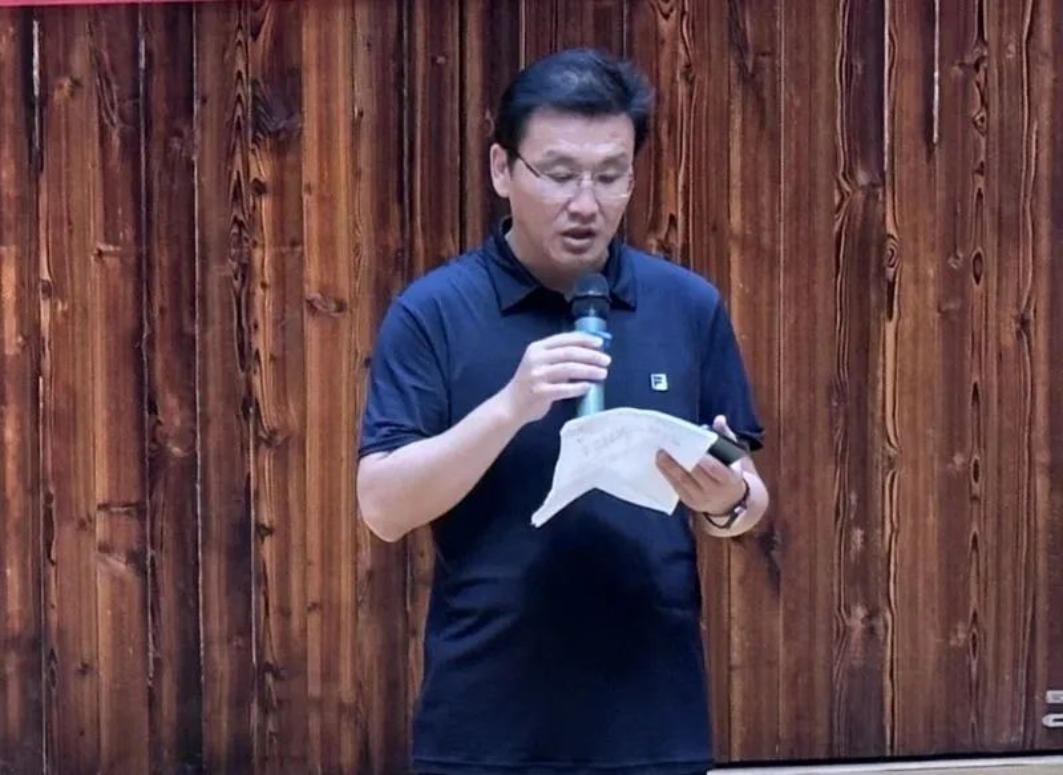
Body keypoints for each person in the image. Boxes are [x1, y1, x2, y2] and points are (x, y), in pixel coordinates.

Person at [357, 48, 769, 775]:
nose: (585, 203)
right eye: (558, 174)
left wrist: (727, 500)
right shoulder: (434, 313)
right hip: (486, 726)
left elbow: (747, 494)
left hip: (652, 720)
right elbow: (383, 508)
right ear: (502, 169)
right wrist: (510, 407)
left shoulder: (687, 305)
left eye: (609, 176)